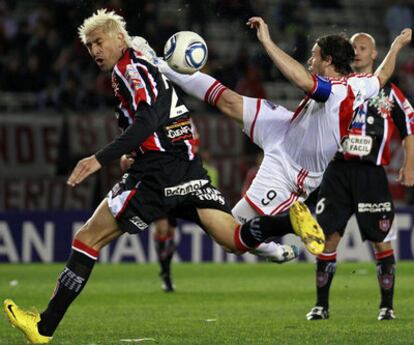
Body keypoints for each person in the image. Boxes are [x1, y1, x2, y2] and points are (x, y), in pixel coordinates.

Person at [3, 10, 320, 344]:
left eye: (98, 41)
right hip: (187, 168)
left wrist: (101, 158)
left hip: (158, 172)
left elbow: (149, 118)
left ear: (118, 38)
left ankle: (44, 327)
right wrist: (134, 152)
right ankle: (288, 223)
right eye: (89, 46)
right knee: (234, 239)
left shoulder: (130, 68)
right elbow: (164, 118)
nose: (94, 50)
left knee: (87, 239)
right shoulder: (146, 66)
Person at [156, 17, 411, 255]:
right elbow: (383, 74)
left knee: (231, 236)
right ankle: (160, 66)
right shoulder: (360, 83)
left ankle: (279, 235)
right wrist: (397, 45)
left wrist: (267, 41)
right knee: (228, 101)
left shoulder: (335, 91)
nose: (310, 61)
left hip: (292, 169)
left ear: (329, 60)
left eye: (314, 56)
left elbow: (302, 80)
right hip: (285, 129)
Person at [306, 32, 414, 321]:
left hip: (371, 175)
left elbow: (409, 129)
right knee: (328, 239)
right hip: (337, 171)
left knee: (381, 240)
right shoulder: (338, 87)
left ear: (374, 55)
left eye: (364, 47)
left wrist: (410, 165)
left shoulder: (388, 93)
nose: (357, 51)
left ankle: (387, 306)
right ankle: (321, 306)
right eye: (354, 46)